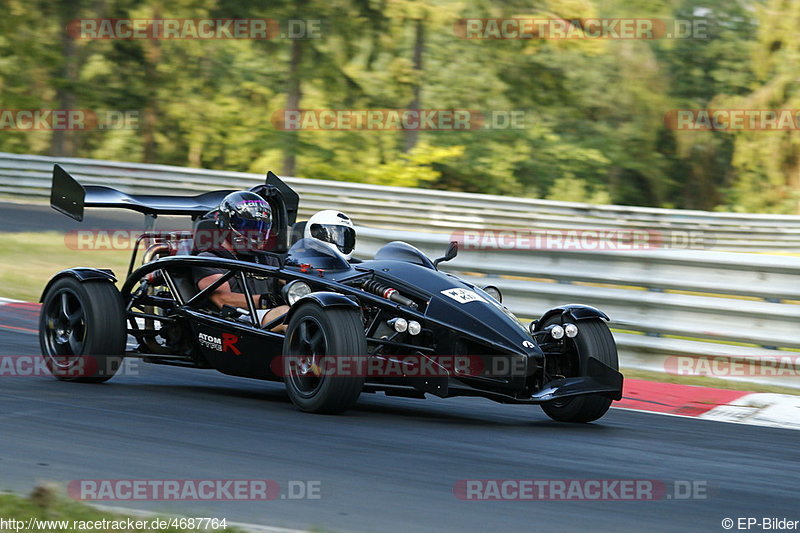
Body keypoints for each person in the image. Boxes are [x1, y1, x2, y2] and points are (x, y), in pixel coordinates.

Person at [193, 191, 289, 331]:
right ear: (227, 224)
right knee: (288, 314)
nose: (255, 235)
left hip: (265, 317)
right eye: (248, 227)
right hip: (233, 319)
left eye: (260, 228)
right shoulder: (209, 259)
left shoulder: (268, 259)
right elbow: (223, 300)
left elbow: (290, 283)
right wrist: (266, 300)